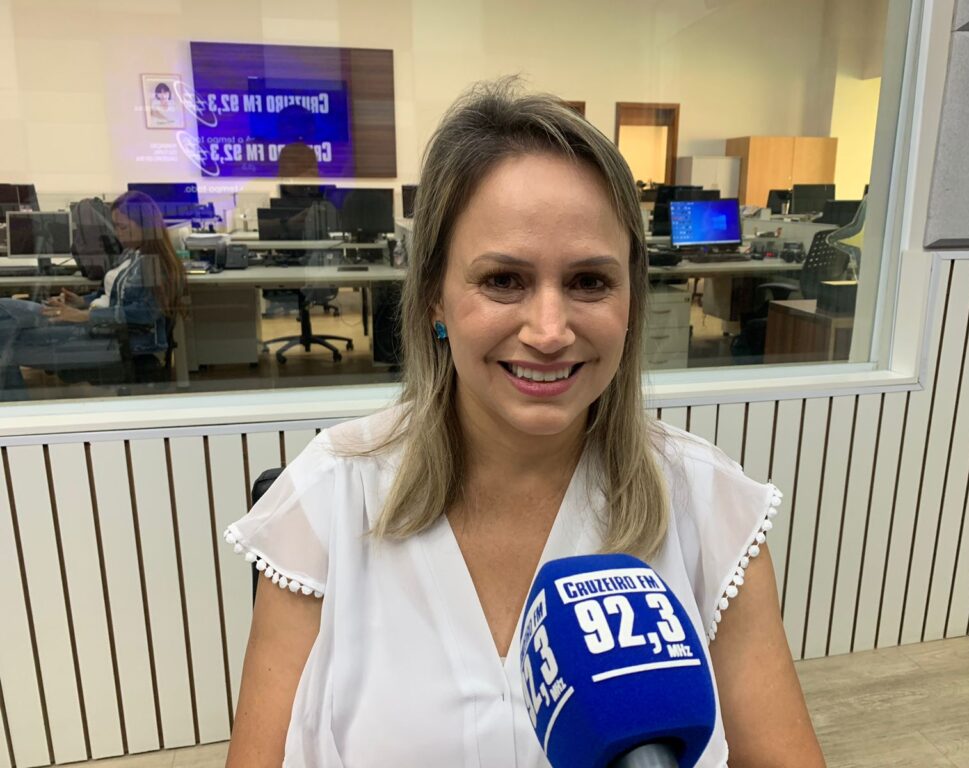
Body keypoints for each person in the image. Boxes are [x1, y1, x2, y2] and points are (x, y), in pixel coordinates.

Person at [223, 80, 825, 767]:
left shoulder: (708, 503)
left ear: (630, 298)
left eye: (590, 282)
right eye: (504, 280)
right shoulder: (330, 498)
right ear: (434, 298)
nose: (548, 330)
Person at [0, 191, 186, 399]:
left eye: (122, 227)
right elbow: (109, 295)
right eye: (115, 226)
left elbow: (145, 313)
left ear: (145, 225)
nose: (117, 233)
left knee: (5, 335)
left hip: (116, 340)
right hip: (98, 329)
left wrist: (85, 315)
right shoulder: (131, 253)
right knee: (4, 335)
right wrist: (81, 302)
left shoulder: (153, 262)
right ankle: (14, 410)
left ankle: (13, 411)